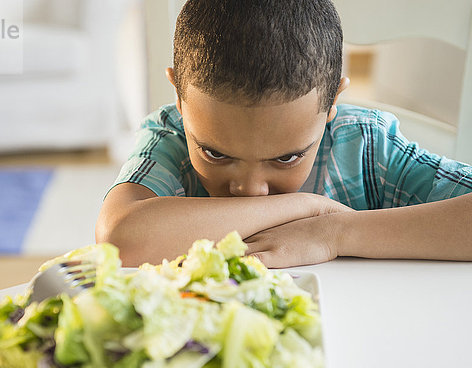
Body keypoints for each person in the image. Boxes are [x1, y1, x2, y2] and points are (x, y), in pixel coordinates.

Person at [96, 0, 472, 267]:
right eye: (215, 153)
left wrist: (336, 232)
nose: (250, 190)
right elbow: (119, 240)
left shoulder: (365, 149)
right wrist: (308, 207)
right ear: (178, 96)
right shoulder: (170, 139)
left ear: (331, 104)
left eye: (287, 157)